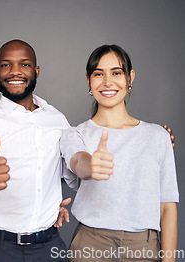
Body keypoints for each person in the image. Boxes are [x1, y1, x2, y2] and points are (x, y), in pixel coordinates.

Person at [60, 45, 178, 261]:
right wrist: (90, 165)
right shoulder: (75, 134)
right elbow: (77, 160)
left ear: (130, 78)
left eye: (116, 73)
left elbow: (167, 207)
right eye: (98, 74)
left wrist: (169, 259)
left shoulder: (157, 136)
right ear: (88, 80)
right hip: (91, 244)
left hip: (143, 246)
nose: (107, 82)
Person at [0, 39, 70, 261]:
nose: (15, 72)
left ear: (36, 70)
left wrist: (50, 204)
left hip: (49, 246)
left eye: (24, 64)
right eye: (5, 65)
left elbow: (71, 167)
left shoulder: (57, 118)